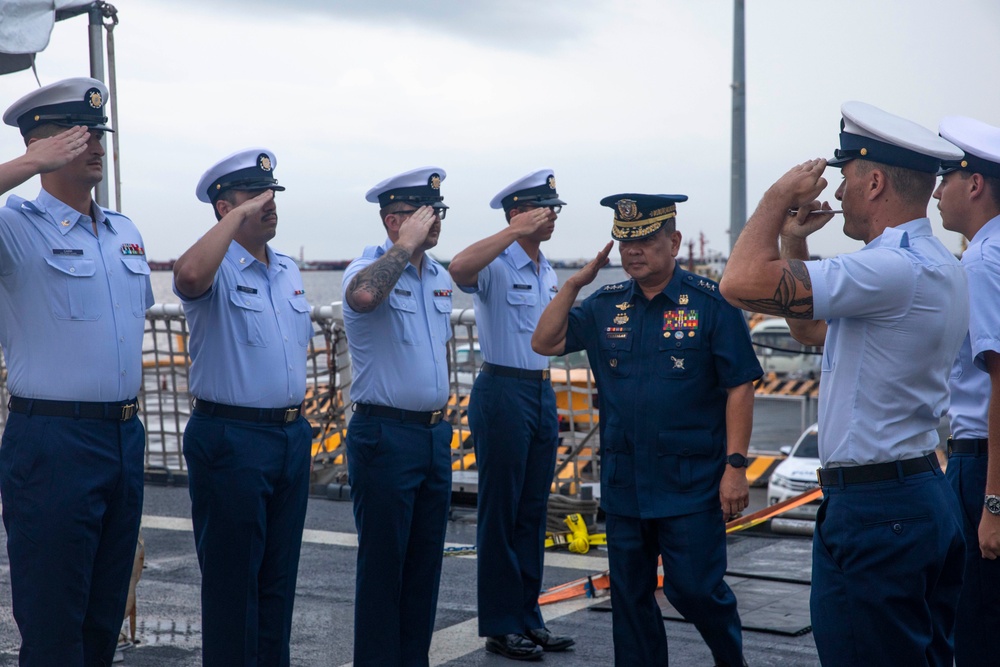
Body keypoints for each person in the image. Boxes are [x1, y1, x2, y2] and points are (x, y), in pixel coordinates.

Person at [719, 101, 969, 666]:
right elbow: (810, 330)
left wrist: (777, 195)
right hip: (909, 496)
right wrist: (793, 241)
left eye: (847, 178)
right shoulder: (926, 263)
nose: (838, 193)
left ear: (875, 181)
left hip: (878, 510)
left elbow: (736, 283)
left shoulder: (892, 268)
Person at [532, 194, 761, 667]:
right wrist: (575, 283)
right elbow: (545, 340)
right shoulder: (604, 305)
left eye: (645, 240)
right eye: (624, 241)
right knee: (631, 602)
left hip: (691, 481)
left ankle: (730, 658)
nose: (632, 251)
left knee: (695, 588)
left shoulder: (711, 303)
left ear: (673, 241)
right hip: (625, 481)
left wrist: (735, 467)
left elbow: (740, 385)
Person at [0, 77, 152, 666]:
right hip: (54, 442)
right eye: (81, 134)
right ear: (44, 143)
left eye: (100, 133)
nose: (97, 145)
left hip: (122, 436)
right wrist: (28, 161)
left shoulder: (124, 233)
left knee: (102, 616)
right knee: (53, 620)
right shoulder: (17, 226)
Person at [172, 148, 312, 665]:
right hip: (231, 438)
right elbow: (187, 277)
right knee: (233, 587)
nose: (268, 203)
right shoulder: (216, 268)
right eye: (254, 196)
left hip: (290, 437)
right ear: (223, 207)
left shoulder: (288, 270)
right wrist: (237, 220)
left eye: (271, 194)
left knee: (277, 584)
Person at [448, 169, 574, 661]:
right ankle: (501, 626)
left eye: (555, 208)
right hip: (502, 390)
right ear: (518, 213)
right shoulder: (498, 263)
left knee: (531, 512)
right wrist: (513, 232)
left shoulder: (546, 270)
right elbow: (459, 269)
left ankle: (528, 617)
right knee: (500, 514)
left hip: (540, 392)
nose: (554, 216)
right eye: (544, 209)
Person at [342, 166, 454, 667]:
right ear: (393, 220)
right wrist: (403, 249)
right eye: (424, 212)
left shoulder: (440, 277)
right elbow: (364, 297)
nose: (435, 220)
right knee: (385, 570)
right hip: (385, 435)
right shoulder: (365, 269)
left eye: (439, 210)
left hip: (432, 435)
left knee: (424, 567)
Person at [934, 115, 1000, 666]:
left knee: (973, 627)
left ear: (974, 184)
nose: (936, 191)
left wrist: (992, 504)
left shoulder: (980, 261)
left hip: (983, 464)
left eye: (945, 179)